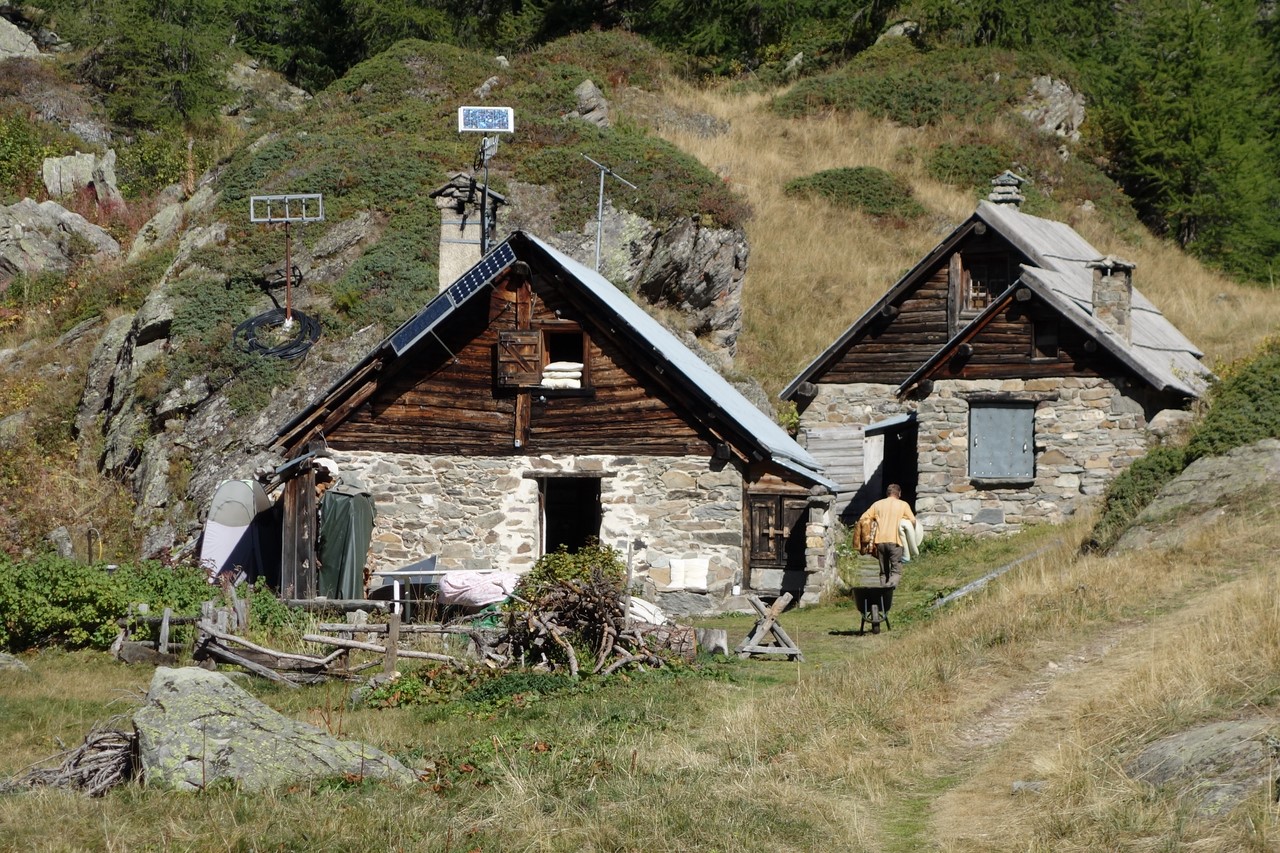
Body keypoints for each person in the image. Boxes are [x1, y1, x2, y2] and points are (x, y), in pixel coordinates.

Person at [858, 484, 917, 588]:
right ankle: (889, 587)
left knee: (883, 572)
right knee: (896, 571)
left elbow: (863, 518)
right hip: (896, 542)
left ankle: (883, 594)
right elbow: (913, 521)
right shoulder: (903, 505)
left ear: (887, 493)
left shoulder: (877, 504)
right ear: (899, 493)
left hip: (879, 541)